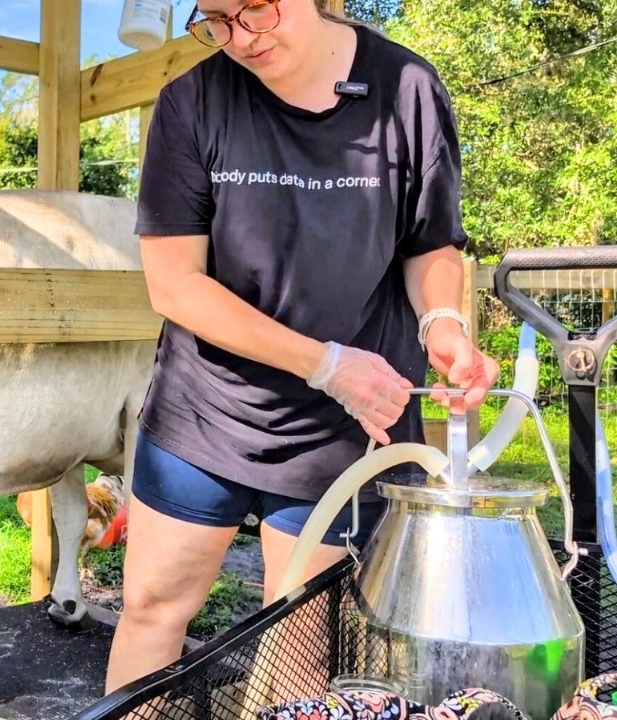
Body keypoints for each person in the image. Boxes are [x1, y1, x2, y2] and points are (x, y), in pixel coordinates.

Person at [104, 0, 501, 694]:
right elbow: (174, 284)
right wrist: (325, 364)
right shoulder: (191, 102)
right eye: (216, 20)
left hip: (348, 428)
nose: (241, 38)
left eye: (256, 9)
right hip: (205, 410)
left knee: (299, 642)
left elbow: (430, 243)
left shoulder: (406, 89)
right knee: (151, 609)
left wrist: (444, 324)